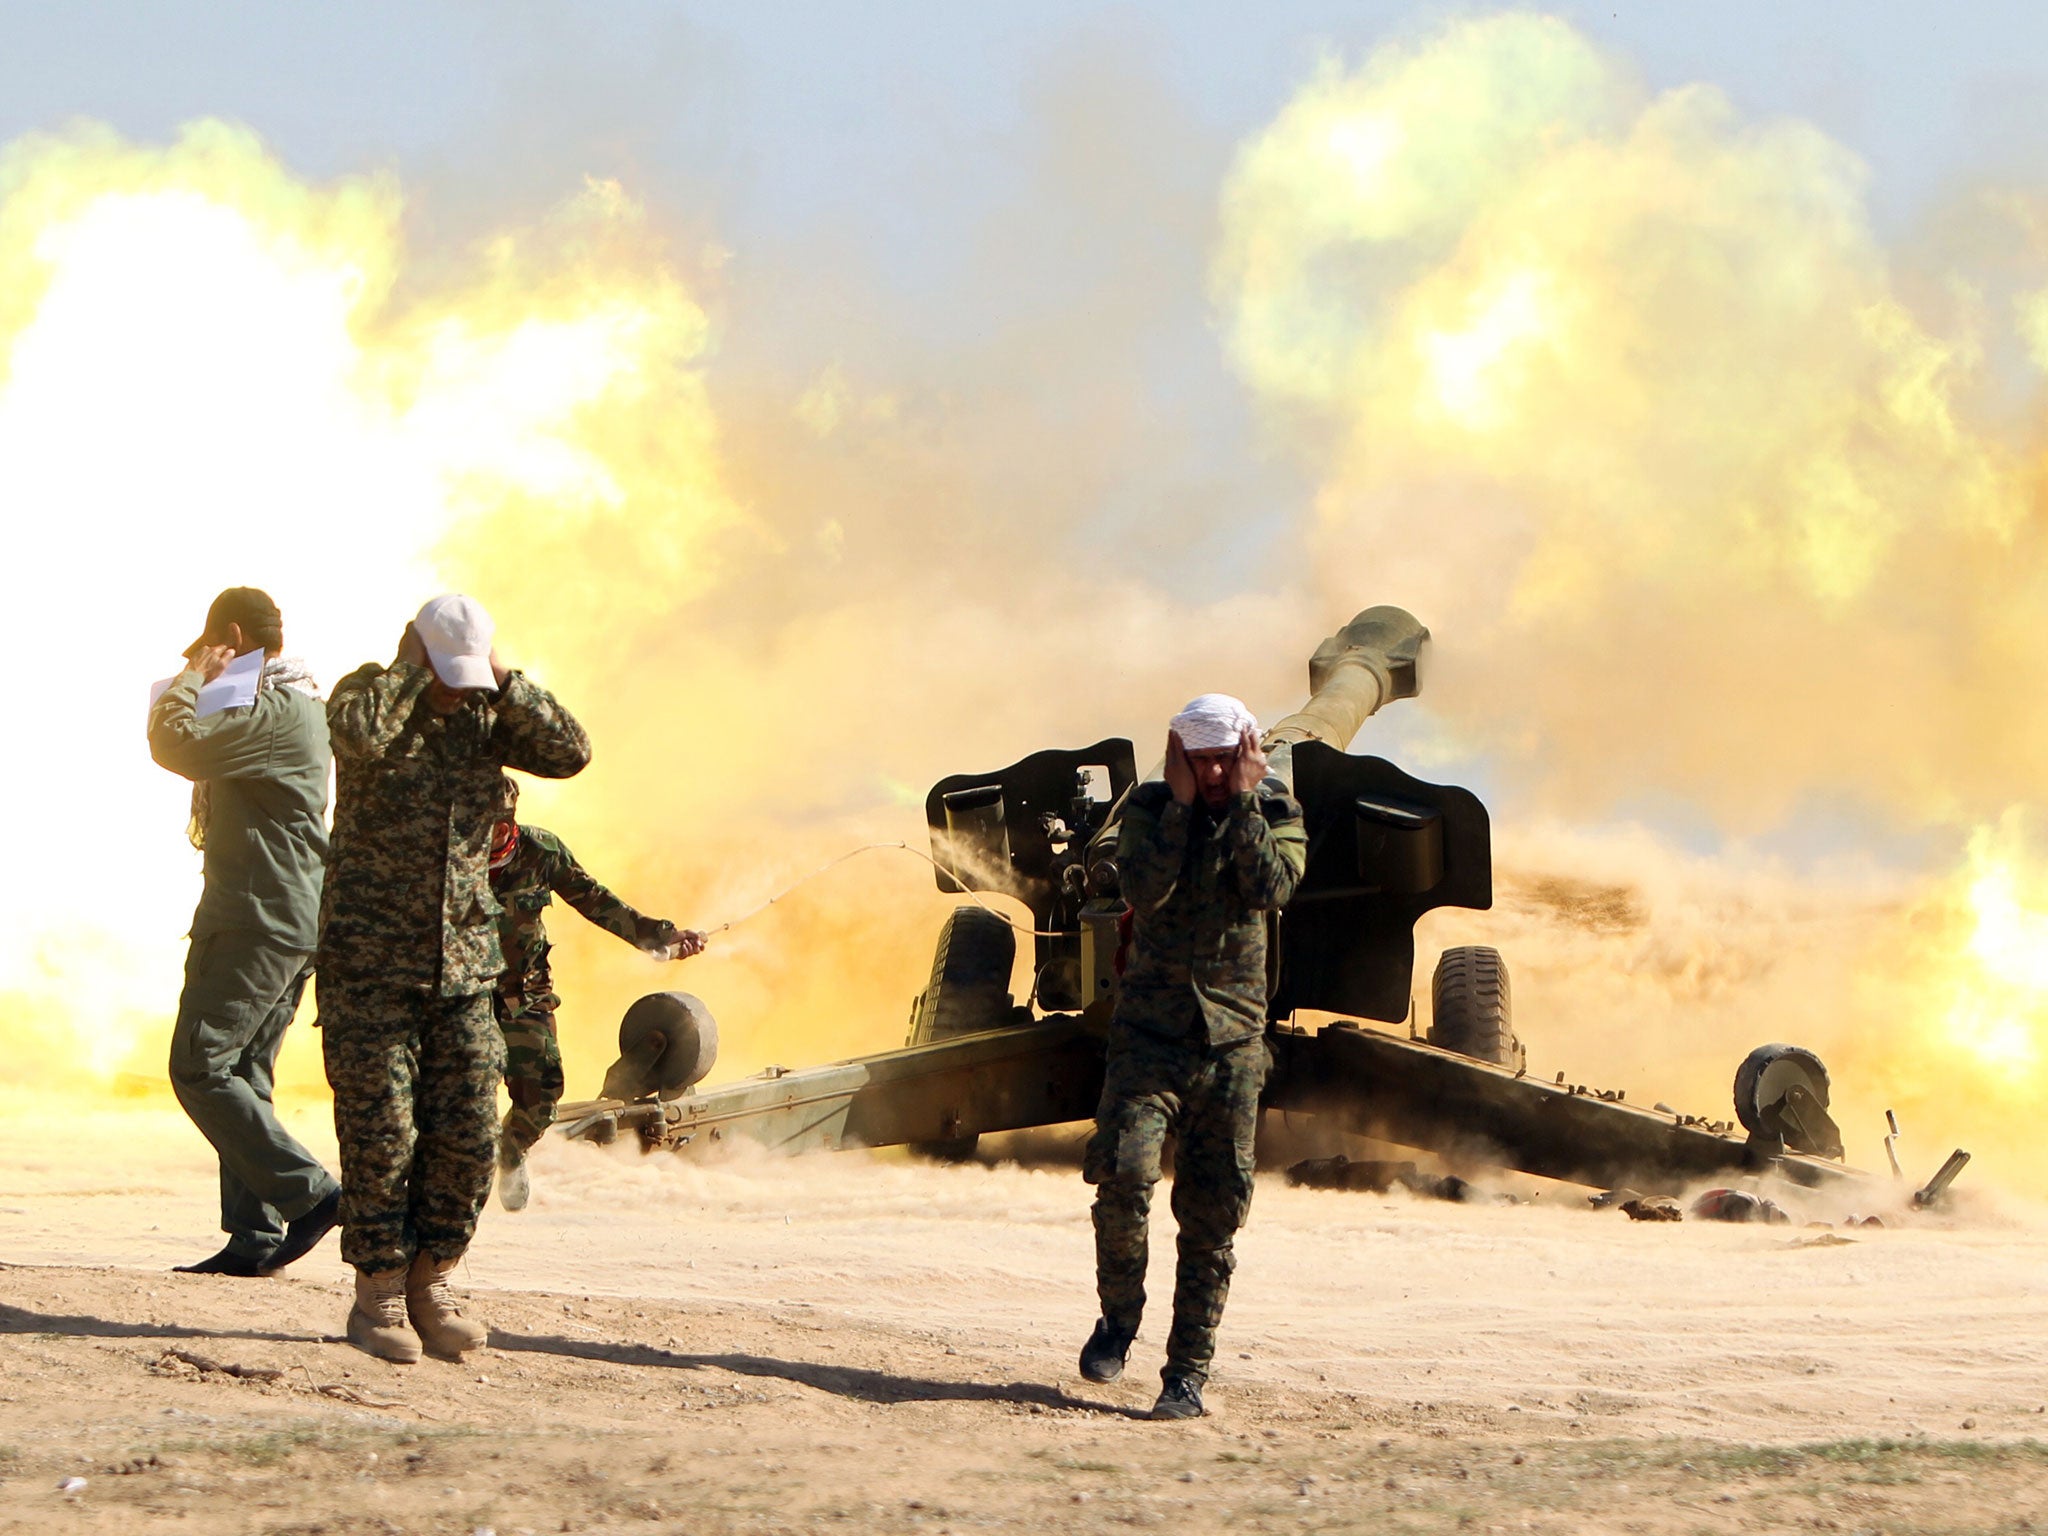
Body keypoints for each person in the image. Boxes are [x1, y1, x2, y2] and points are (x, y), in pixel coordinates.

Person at [320, 593, 590, 1363]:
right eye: (445, 669)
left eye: (464, 674)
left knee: (471, 1135)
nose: (454, 688)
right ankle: (377, 1298)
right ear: (415, 650)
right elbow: (357, 733)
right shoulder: (370, 697)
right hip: (369, 971)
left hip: (466, 971)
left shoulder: (487, 714)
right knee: (382, 1141)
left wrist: (504, 681)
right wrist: (411, 673)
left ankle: (432, 1282)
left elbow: (571, 752)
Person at [1078, 693, 1308, 1420]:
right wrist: (1178, 808)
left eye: (1223, 759)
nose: (1211, 772)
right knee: (1123, 1179)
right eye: (1199, 760)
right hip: (1149, 1037)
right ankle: (1119, 1319)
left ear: (1243, 752)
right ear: (1180, 756)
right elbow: (1144, 889)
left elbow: (1272, 888)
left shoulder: (1274, 810)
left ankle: (1187, 1376)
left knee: (1211, 1220)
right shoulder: (1147, 811)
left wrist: (1240, 804)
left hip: (1233, 1046)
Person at [147, 588, 343, 1278]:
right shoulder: (291, 706)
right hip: (282, 915)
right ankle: (254, 1236)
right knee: (244, 1077)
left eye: (215, 646)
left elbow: (175, 741)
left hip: (258, 918)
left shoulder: (276, 710)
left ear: (233, 635)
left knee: (199, 1067)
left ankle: (309, 1193)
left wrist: (197, 675)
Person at [486, 772, 705, 1210]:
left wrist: (660, 937)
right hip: (461, 996)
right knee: (465, 1093)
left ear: (506, 827)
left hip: (523, 994)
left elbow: (595, 900)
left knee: (542, 1095)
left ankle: (510, 1153)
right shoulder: (444, 856)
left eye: (483, 824)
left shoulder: (540, 852)